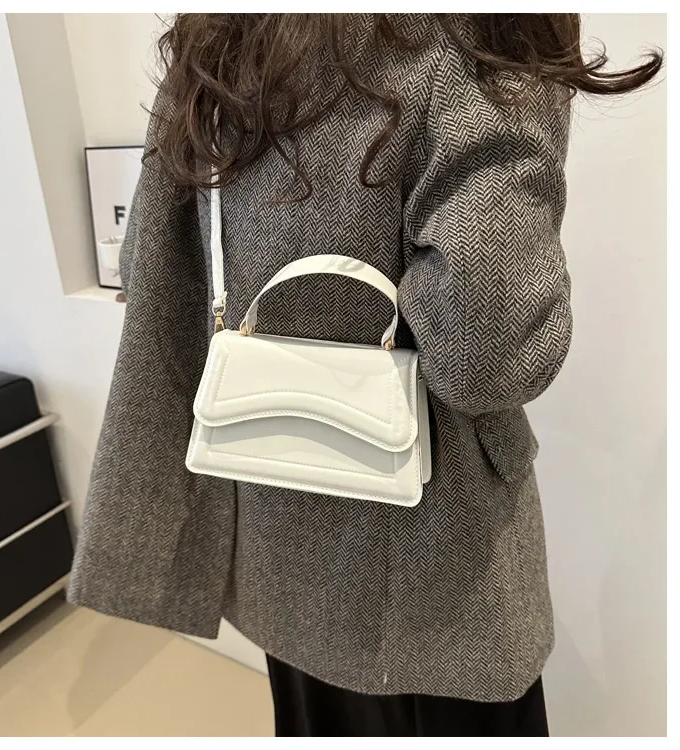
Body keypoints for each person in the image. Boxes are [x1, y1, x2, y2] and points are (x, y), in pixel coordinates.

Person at [67, 14, 662, 737]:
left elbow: (148, 265)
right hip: (439, 570)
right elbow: (490, 356)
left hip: (277, 529)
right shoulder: (462, 41)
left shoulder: (222, 37)